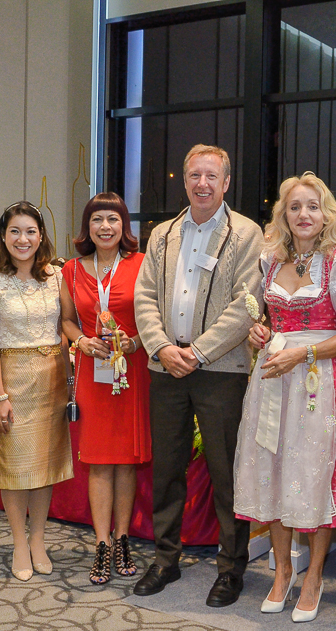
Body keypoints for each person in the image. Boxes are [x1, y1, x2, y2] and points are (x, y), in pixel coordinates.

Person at [133, 144, 265, 607]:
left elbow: (247, 304)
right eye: (194, 175)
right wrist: (162, 347)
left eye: (212, 176)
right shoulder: (163, 234)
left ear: (226, 183)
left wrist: (199, 352)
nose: (202, 184)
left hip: (220, 371)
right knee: (167, 468)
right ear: (184, 180)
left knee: (226, 471)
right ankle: (165, 559)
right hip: (165, 367)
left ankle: (231, 568)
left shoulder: (246, 234)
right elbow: (144, 296)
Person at [232, 172, 336, 622]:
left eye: (312, 206)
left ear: (326, 214)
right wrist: (259, 333)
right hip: (273, 376)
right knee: (272, 470)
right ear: (284, 216)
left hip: (317, 379)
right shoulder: (270, 262)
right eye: (295, 207)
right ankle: (283, 571)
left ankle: (314, 576)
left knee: (312, 474)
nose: (304, 214)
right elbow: (272, 323)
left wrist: (302, 353)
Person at [0, 201, 73, 582]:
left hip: (51, 379)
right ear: (3, 236)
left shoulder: (56, 276)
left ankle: (38, 540)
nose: (23, 239)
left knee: (45, 465)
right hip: (12, 378)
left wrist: (69, 381)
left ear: (41, 235)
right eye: (15, 231)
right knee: (15, 466)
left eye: (30, 231)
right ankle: (18, 542)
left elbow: (66, 326)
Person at [61, 192, 150, 585]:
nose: (105, 227)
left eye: (113, 219)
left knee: (127, 460)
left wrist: (136, 341)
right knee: (98, 460)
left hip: (131, 371)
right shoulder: (71, 270)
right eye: (97, 219)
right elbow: (67, 320)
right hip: (93, 373)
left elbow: (155, 318)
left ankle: (123, 538)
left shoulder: (142, 265)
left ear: (123, 225)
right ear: (88, 226)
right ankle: (101, 542)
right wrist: (80, 340)